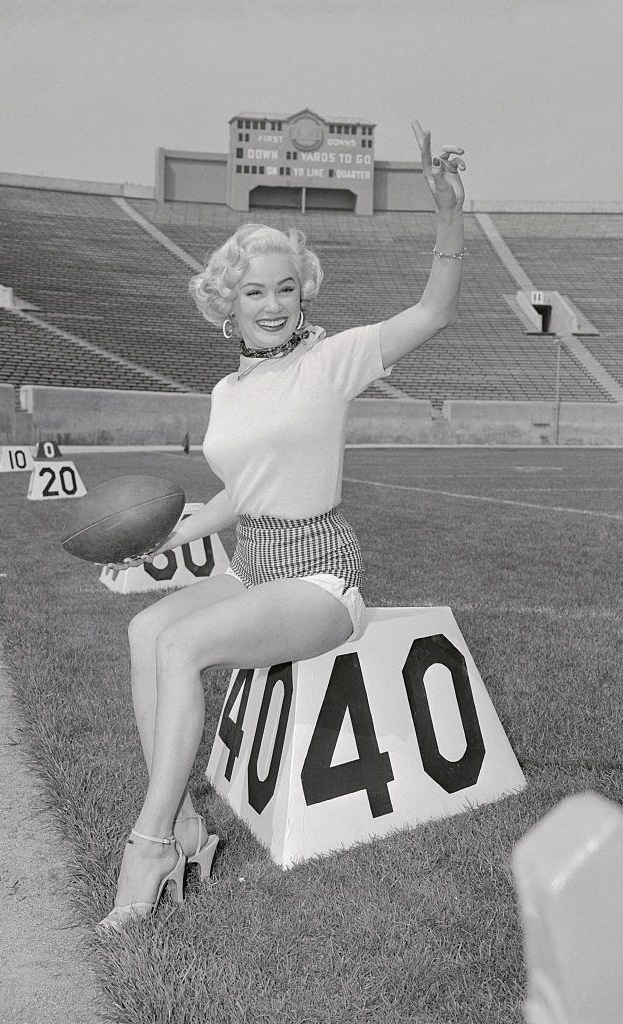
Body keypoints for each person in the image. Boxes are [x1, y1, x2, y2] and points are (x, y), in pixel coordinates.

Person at [98, 119, 466, 929]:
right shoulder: (227, 393)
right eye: (254, 291)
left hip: (317, 575)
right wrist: (169, 538)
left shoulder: (331, 360)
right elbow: (239, 494)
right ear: (226, 304)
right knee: (144, 636)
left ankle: (152, 843)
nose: (271, 304)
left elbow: (434, 310)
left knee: (183, 646)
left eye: (286, 288)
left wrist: (446, 215)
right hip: (247, 560)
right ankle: (190, 826)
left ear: (304, 292)